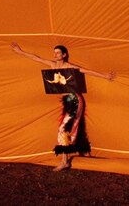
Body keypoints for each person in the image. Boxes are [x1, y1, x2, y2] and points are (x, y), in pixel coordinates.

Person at [10, 42, 116, 171]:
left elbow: (86, 71)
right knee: (66, 130)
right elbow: (36, 58)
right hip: (67, 100)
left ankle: (65, 161)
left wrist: (105, 76)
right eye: (54, 52)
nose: (55, 55)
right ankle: (66, 160)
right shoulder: (53, 65)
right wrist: (20, 51)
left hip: (75, 100)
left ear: (64, 55)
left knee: (64, 128)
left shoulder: (69, 66)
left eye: (58, 52)